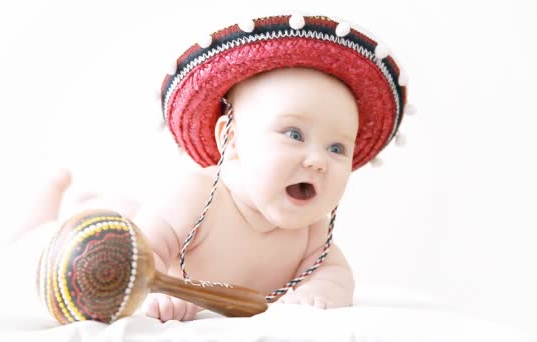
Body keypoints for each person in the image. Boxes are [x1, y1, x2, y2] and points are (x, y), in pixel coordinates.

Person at [22, 14, 411, 322]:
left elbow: (338, 275)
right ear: (231, 137)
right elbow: (144, 254)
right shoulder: (193, 196)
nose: (317, 160)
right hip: (111, 236)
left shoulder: (312, 233)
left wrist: (321, 294)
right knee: (54, 234)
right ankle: (54, 194)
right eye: (294, 133)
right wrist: (161, 291)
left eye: (337, 147)